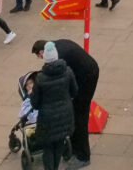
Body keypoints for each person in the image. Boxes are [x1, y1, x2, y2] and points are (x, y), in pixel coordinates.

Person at [33, 38, 100, 169]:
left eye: (40, 56)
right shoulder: (56, 46)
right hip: (86, 72)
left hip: (87, 76)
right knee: (74, 113)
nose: (42, 58)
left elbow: (60, 79)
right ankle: (76, 148)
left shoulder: (59, 55)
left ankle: (83, 156)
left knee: (80, 116)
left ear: (42, 51)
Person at [30, 41, 78, 170]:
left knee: (48, 148)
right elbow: (74, 91)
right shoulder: (68, 72)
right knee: (59, 145)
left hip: (47, 119)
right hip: (65, 116)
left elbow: (34, 103)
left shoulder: (40, 78)